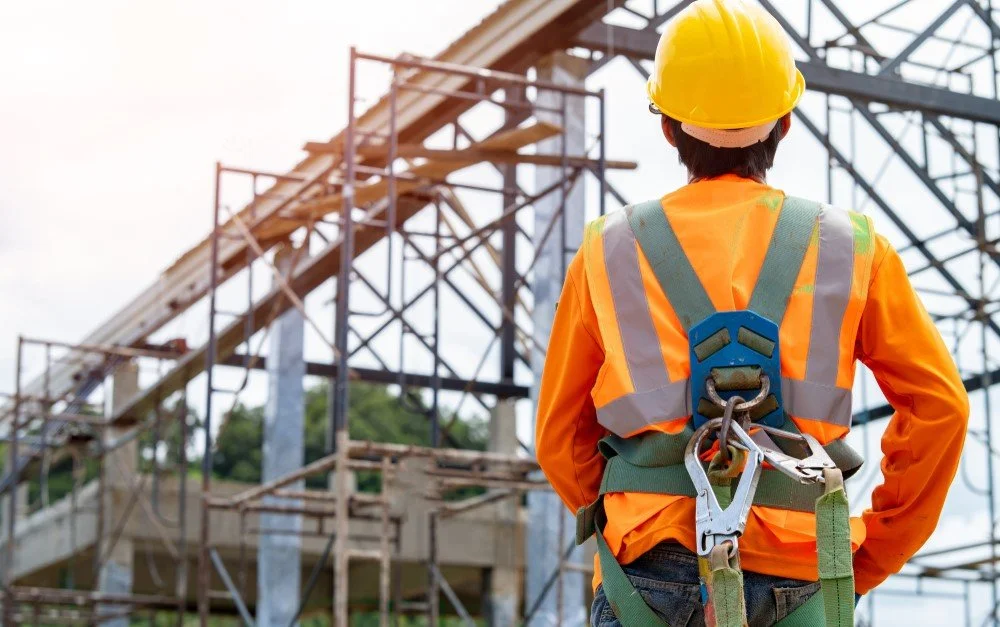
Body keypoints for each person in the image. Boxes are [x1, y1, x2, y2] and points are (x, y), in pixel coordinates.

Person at [534, 0, 970, 625]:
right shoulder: (853, 246)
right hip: (803, 567)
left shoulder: (609, 249)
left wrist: (631, 509)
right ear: (784, 123)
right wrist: (869, 552)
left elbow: (558, 435)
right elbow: (941, 409)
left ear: (667, 126)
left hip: (648, 570)